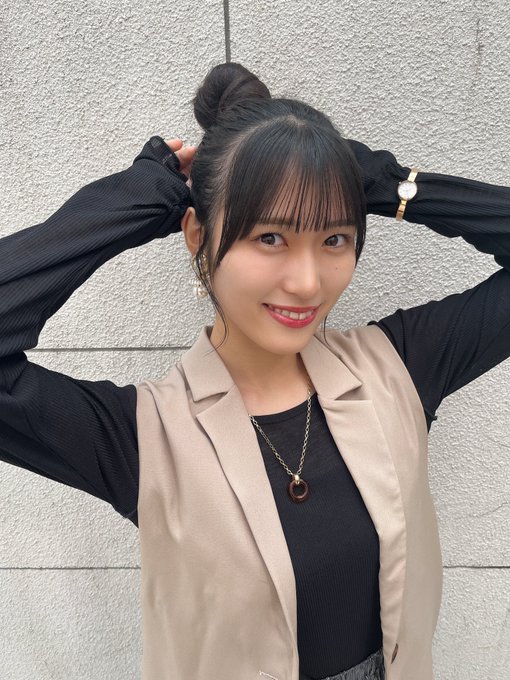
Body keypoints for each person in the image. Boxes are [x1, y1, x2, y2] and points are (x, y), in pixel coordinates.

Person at [0, 62, 509, 680]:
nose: (308, 282)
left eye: (334, 238)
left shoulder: (397, 368)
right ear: (197, 235)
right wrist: (139, 199)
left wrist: (385, 183)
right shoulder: (142, 437)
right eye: (270, 238)